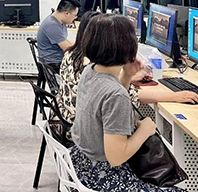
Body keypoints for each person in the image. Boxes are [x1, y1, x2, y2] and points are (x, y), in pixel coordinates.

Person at [70, 14, 186, 191]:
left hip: (82, 165)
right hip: (104, 176)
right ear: (129, 47)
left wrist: (127, 75)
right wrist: (145, 130)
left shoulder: (90, 71)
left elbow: (110, 105)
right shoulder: (115, 95)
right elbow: (116, 157)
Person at [59, 11, 198, 127]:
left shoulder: (72, 54)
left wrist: (128, 76)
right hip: (83, 129)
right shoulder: (91, 66)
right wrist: (175, 96)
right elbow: (129, 95)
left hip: (70, 121)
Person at [37, 0, 81, 70]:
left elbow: (65, 41)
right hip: (53, 64)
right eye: (75, 15)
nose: (75, 18)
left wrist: (82, 44)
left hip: (57, 61)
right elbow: (67, 48)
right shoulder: (52, 25)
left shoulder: (60, 22)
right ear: (67, 13)